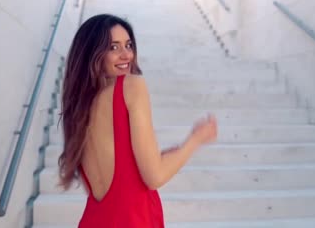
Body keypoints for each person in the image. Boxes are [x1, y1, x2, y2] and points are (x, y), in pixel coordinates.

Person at [58, 14, 218, 227]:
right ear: (93, 54)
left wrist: (164, 157)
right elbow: (154, 176)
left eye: (128, 45)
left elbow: (124, 175)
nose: (126, 55)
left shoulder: (78, 109)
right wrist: (195, 140)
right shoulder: (131, 87)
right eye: (113, 47)